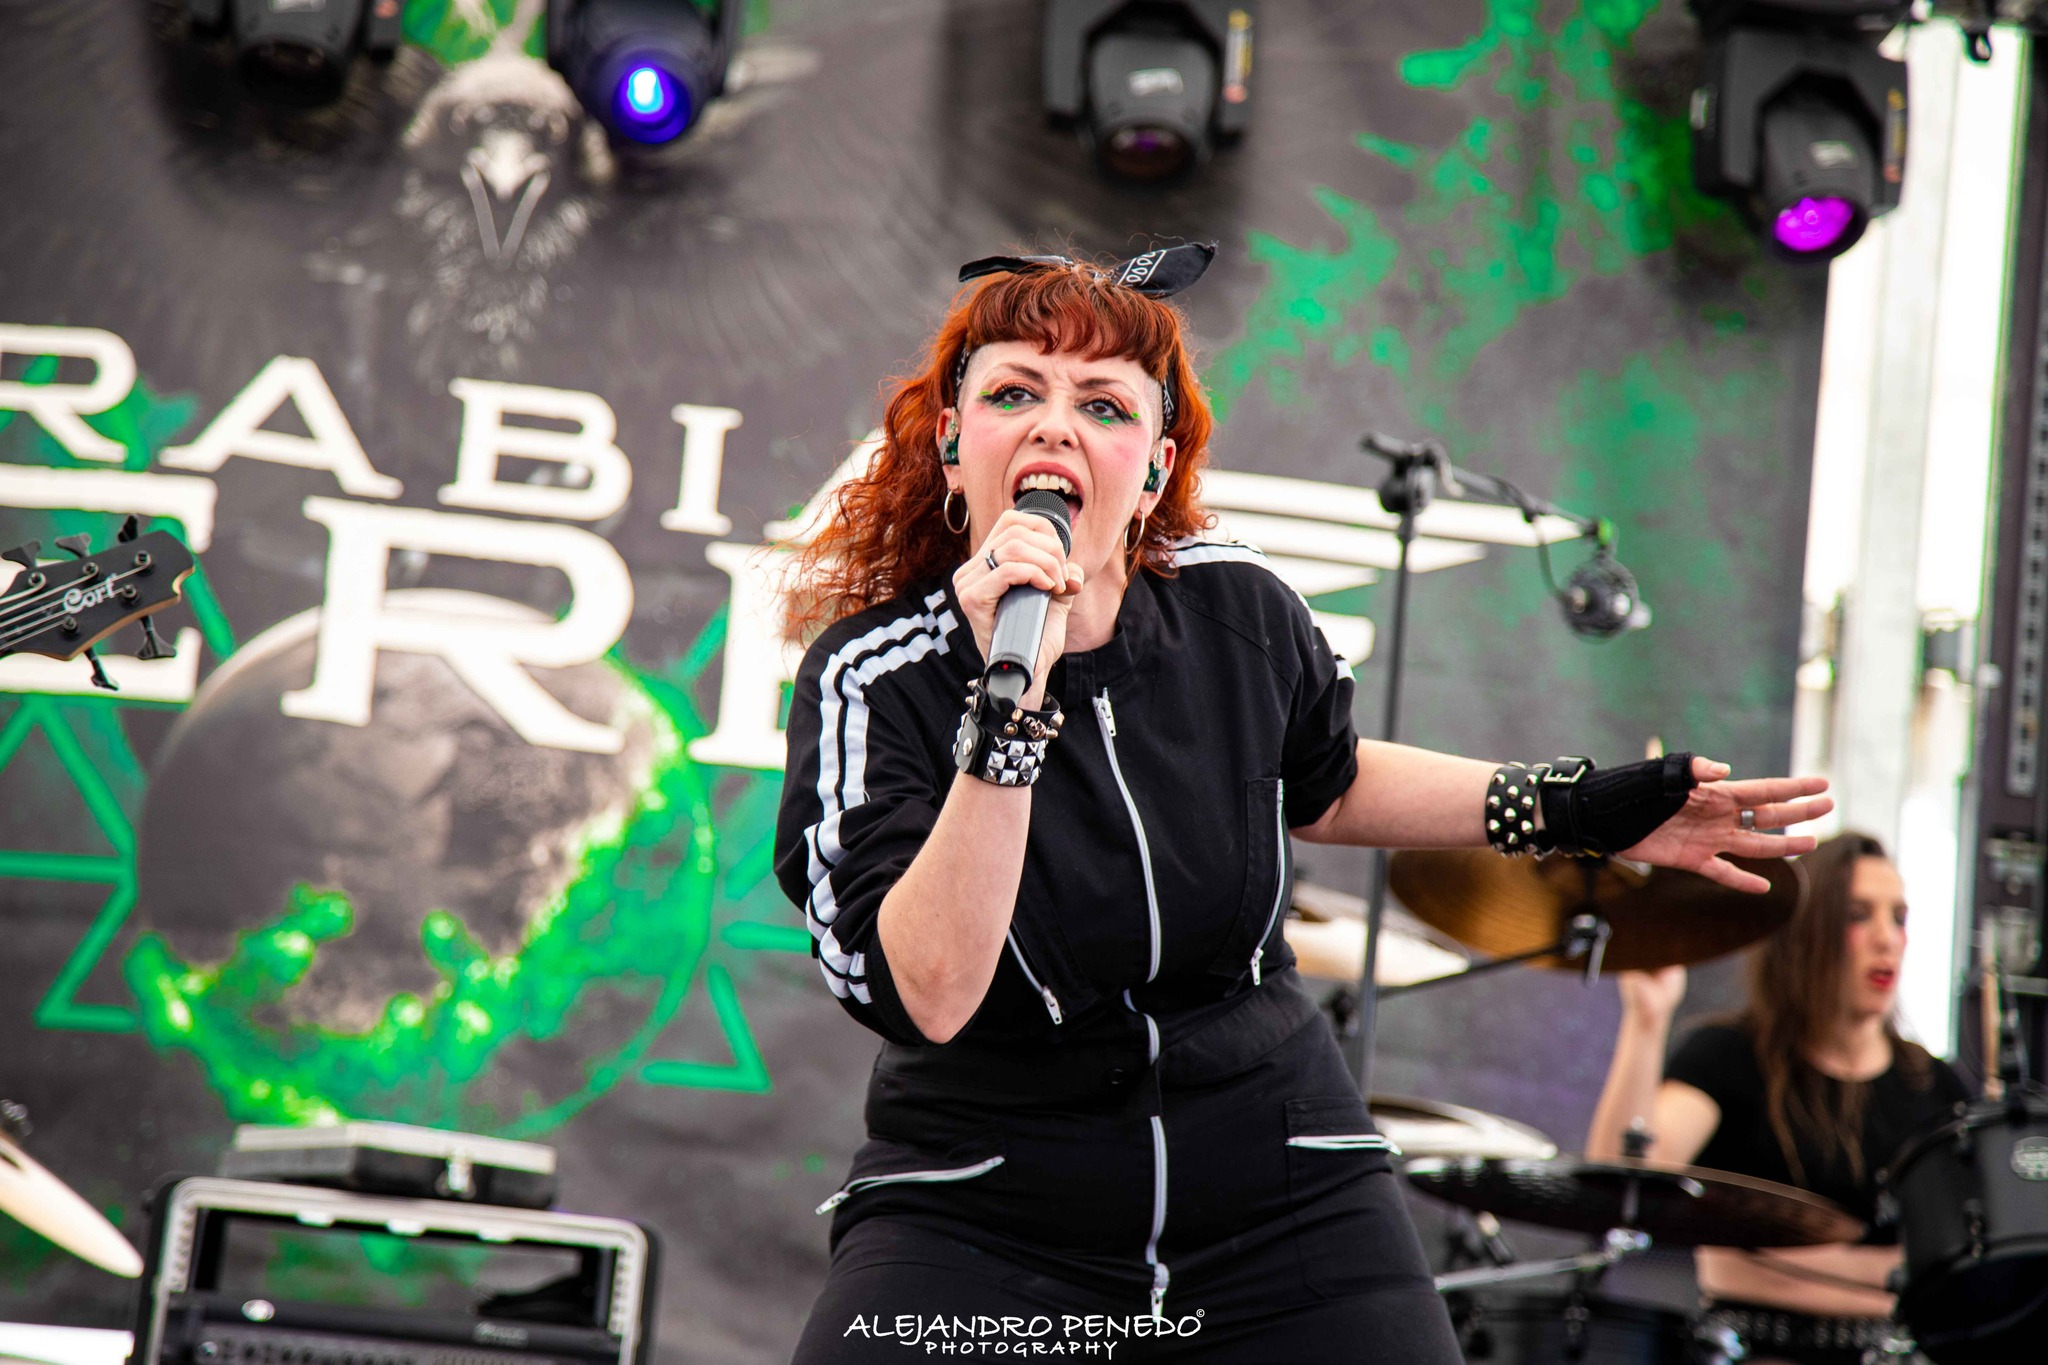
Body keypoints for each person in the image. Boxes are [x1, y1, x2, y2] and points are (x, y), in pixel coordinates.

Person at [773, 244, 1831, 1362]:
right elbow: (932, 991)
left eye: (1102, 405)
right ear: (950, 444)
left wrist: (1570, 811)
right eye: (1012, 394)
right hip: (989, 1204)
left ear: (1152, 468)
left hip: (1274, 1180)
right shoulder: (873, 678)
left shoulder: (1235, 604)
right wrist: (1008, 713)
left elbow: (1321, 779)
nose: (1053, 428)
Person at [1586, 831, 1969, 1365]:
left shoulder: (1938, 1086)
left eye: (1898, 918)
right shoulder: (1727, 1057)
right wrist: (1647, 1021)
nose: (1887, 939)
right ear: (1807, 931)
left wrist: (1768, 1268)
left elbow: (1959, 1267)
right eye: (1859, 915)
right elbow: (1622, 1177)